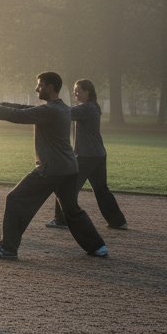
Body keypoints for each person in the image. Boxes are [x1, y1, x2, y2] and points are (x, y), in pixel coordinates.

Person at [0, 71, 108, 260]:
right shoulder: (61, 108)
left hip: (51, 169)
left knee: (15, 199)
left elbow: (19, 115)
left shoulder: (50, 111)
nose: (36, 88)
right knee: (71, 210)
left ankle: (7, 248)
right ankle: (98, 246)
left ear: (50, 87)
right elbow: (25, 108)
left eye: (39, 85)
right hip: (69, 168)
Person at [46, 79, 127, 231]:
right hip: (98, 154)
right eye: (75, 90)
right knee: (101, 189)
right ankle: (118, 221)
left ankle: (61, 219)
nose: (76, 92)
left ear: (88, 92)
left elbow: (64, 113)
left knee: (66, 186)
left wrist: (50, 105)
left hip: (86, 156)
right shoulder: (92, 107)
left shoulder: (86, 108)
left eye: (79, 90)